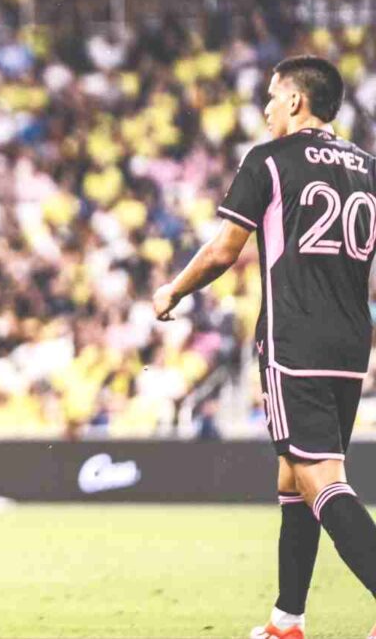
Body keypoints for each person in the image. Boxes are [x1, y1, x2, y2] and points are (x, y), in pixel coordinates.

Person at [152, 56, 376, 639]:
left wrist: (173, 289)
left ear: (298, 102)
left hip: (293, 336)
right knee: (293, 477)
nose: (267, 108)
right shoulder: (369, 168)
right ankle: (287, 620)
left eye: (274, 97)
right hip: (351, 343)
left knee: (321, 478)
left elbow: (226, 251)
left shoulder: (270, 161)